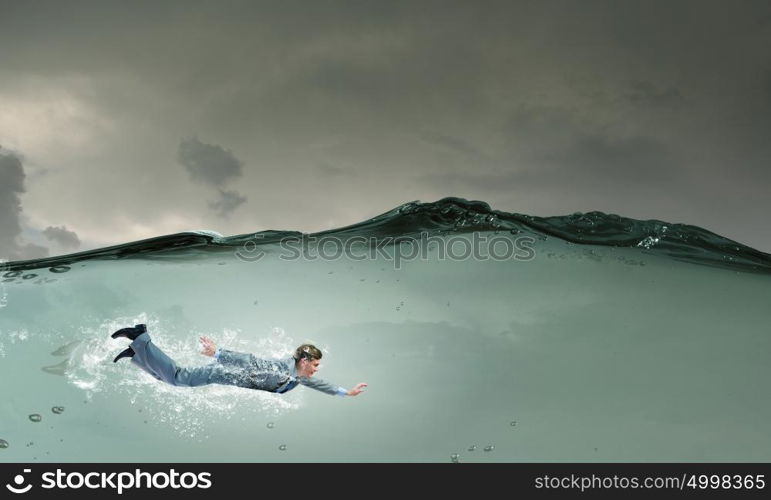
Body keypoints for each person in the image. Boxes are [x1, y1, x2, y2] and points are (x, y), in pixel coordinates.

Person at [110, 324, 367, 397]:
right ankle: (140, 337)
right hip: (221, 372)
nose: (316, 369)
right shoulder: (282, 371)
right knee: (177, 378)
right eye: (314, 364)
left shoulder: (297, 376)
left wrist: (346, 393)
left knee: (173, 380)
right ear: (303, 360)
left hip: (225, 374)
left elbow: (319, 385)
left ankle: (137, 354)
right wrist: (219, 353)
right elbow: (250, 361)